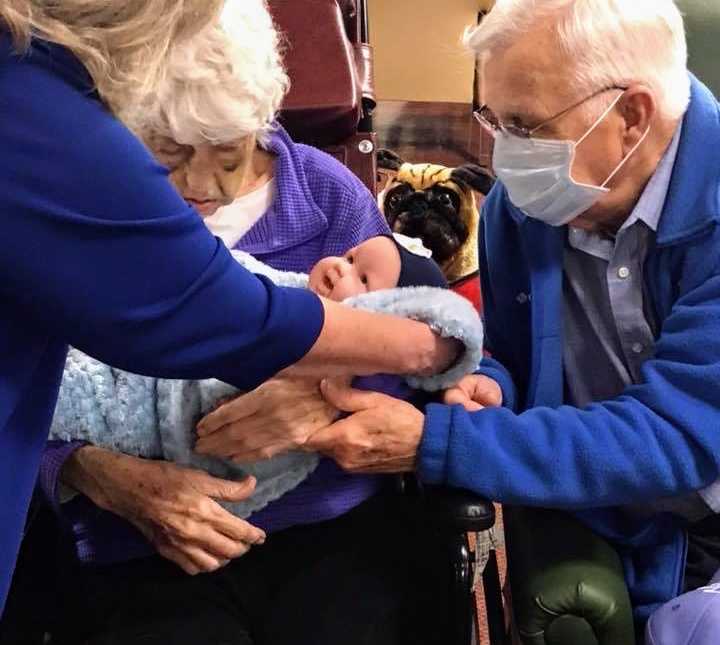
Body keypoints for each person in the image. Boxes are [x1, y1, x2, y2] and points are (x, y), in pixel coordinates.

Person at [202, 0, 720, 632]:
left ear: (632, 116)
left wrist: (433, 443)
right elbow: (510, 356)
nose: (504, 157)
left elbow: (682, 436)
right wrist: (489, 384)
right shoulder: (525, 209)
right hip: (615, 517)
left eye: (525, 127)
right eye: (493, 121)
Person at [0, 0, 458, 614]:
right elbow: (51, 389)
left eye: (230, 154)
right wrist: (92, 472)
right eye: (170, 152)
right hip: (138, 532)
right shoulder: (79, 194)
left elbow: (407, 313)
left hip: (320, 522)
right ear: (116, 127)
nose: (206, 186)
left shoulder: (327, 190)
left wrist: (330, 384)